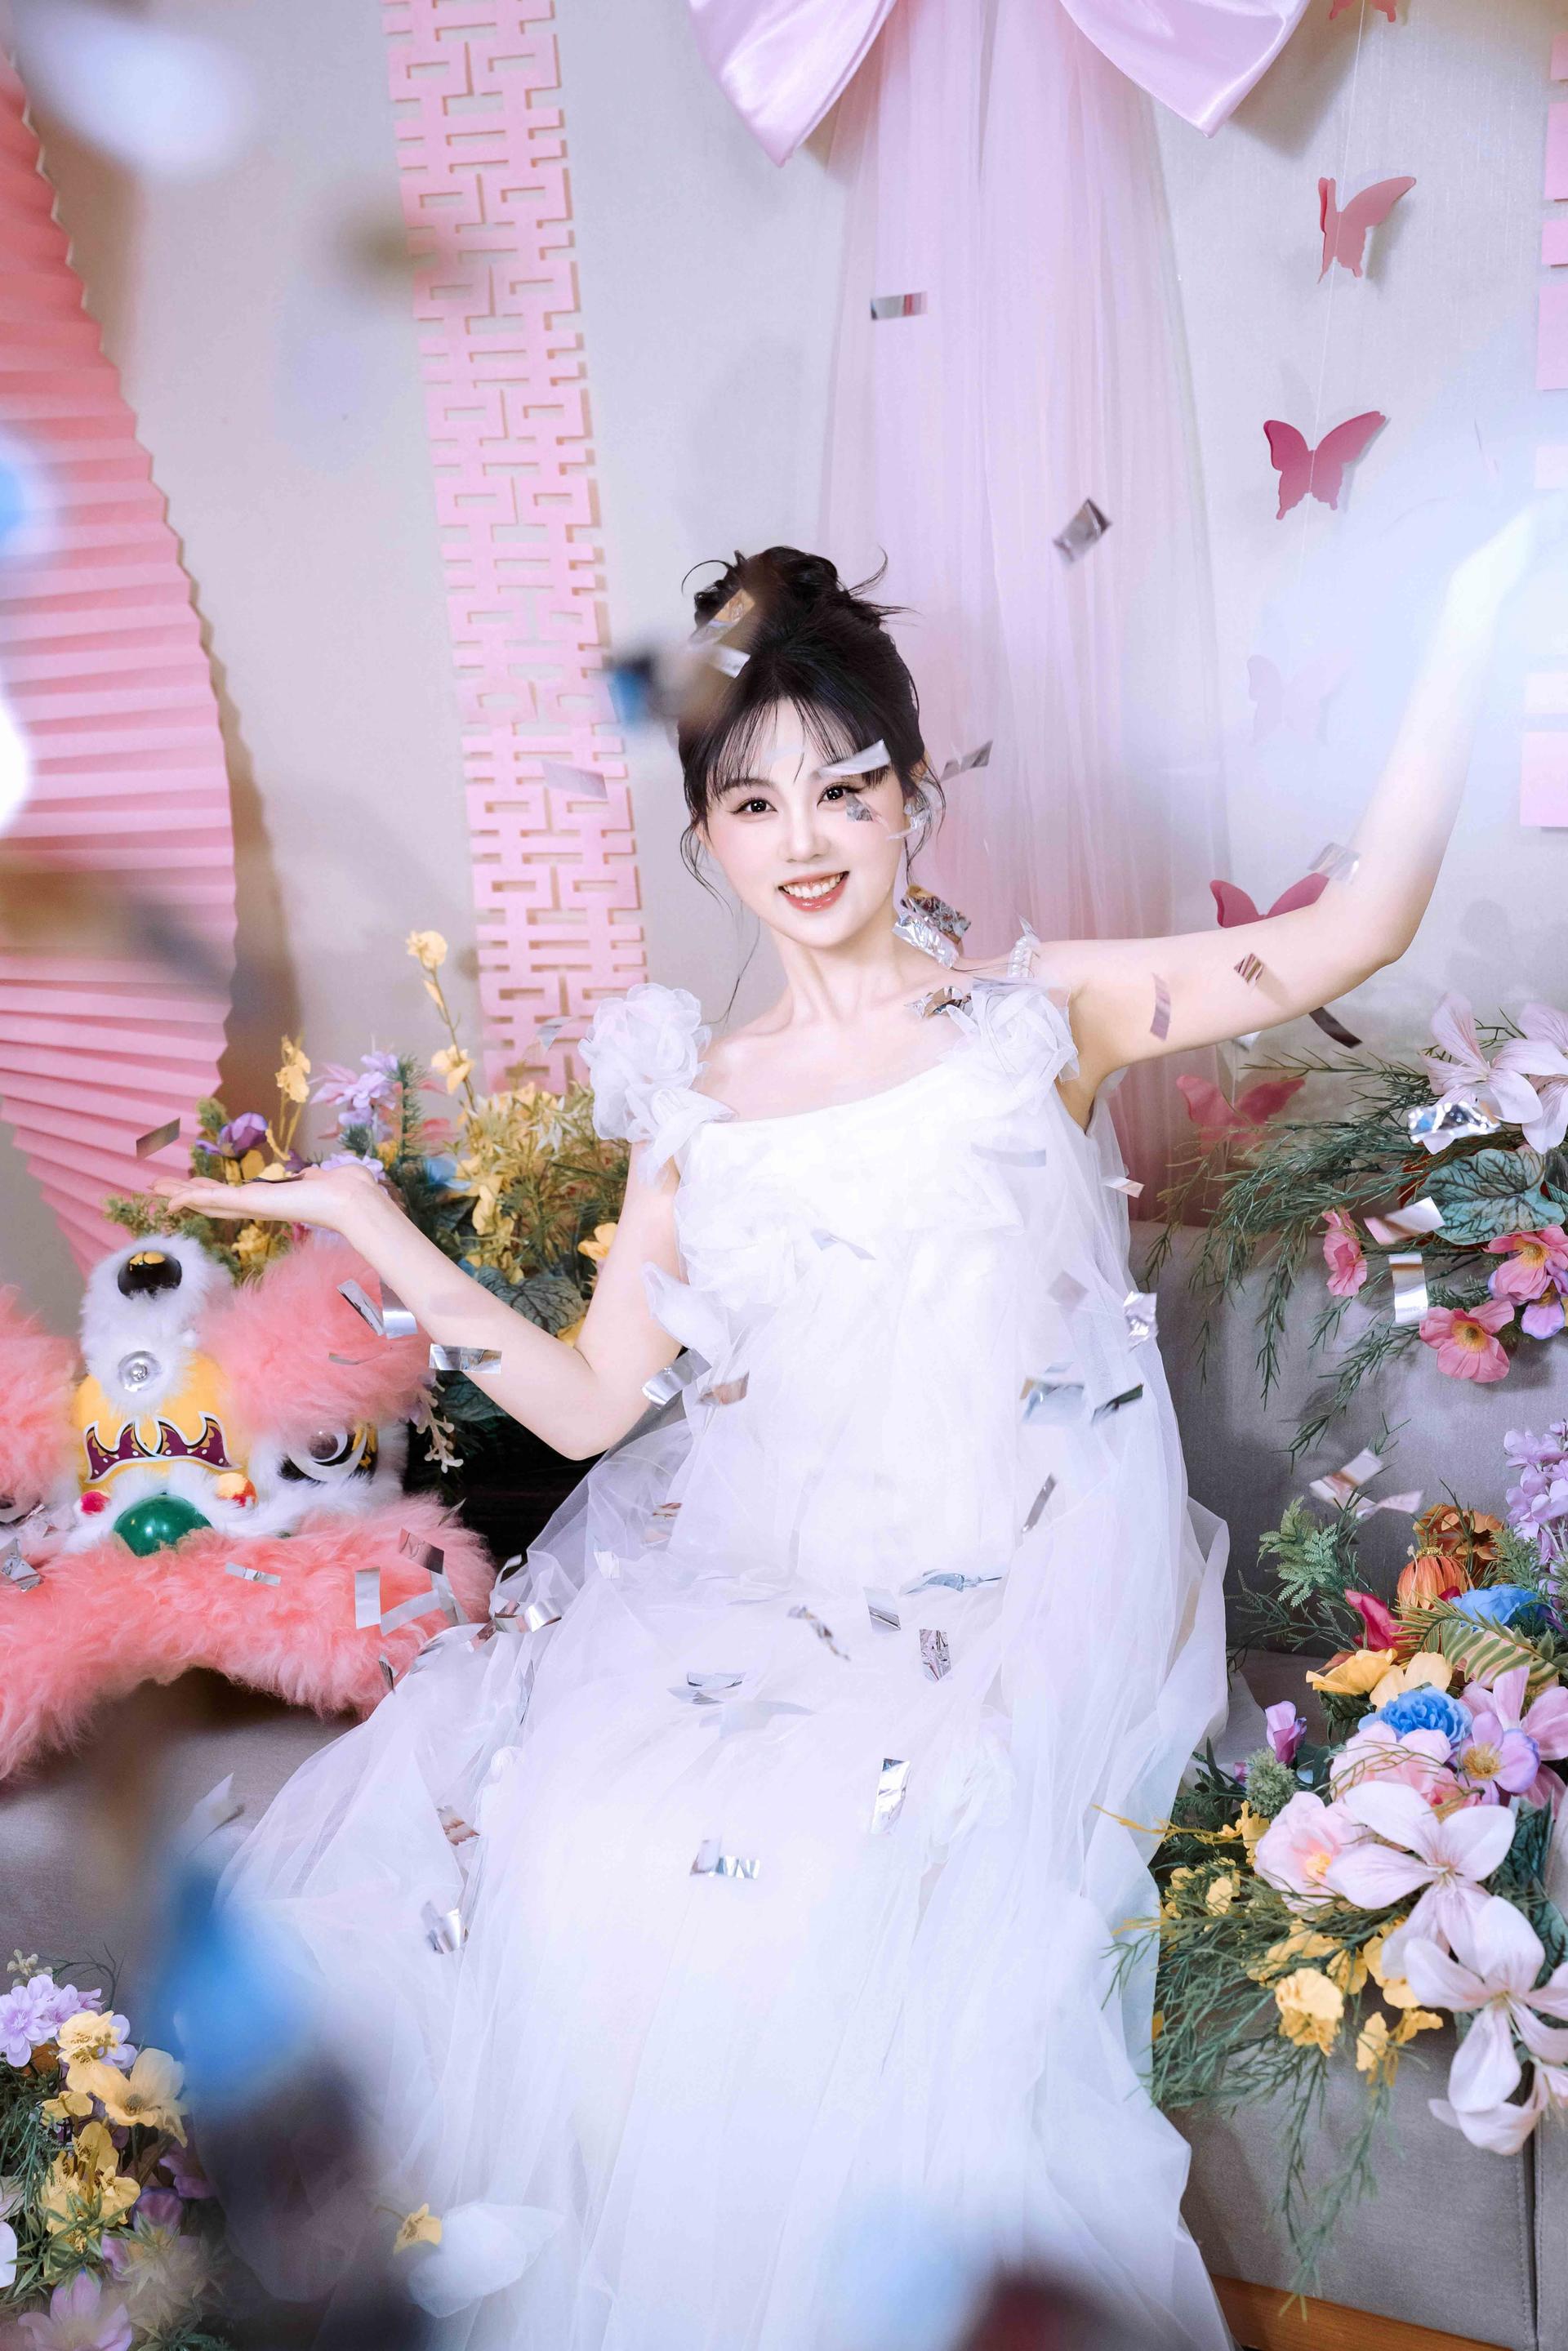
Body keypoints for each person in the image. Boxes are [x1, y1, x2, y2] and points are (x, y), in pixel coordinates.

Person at [160, 517, 1552, 2350]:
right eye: (754, 802)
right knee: (582, 1845)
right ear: (706, 833)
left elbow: (1354, 929)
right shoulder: (695, 1103)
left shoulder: (1034, 1016)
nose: (805, 839)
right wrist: (372, 1225)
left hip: (1027, 1577)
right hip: (765, 1583)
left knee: (819, 1874)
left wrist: (1466, 609)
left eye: (845, 788)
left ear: (911, 797)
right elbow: (590, 1400)